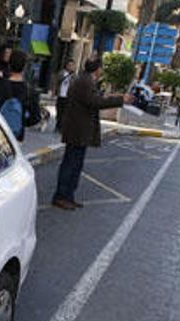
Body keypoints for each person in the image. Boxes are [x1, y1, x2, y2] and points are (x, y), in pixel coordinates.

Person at [52, 59, 134, 210]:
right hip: (77, 131)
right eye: (101, 68)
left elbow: (96, 98)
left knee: (75, 164)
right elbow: (96, 101)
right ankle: (61, 196)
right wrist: (120, 99)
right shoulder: (85, 82)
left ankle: (68, 195)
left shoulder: (85, 80)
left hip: (78, 131)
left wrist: (116, 97)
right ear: (97, 69)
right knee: (71, 164)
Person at [0, 50, 39, 142]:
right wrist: (22, 122)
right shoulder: (29, 90)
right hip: (17, 136)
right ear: (24, 67)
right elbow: (36, 117)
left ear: (9, 64)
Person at [55, 59, 76, 132]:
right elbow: (57, 81)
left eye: (72, 65)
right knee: (59, 111)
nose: (71, 67)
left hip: (68, 96)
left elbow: (74, 85)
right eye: (69, 65)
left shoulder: (74, 76)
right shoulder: (61, 73)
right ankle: (57, 125)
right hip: (60, 95)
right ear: (66, 65)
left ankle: (61, 127)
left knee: (65, 113)